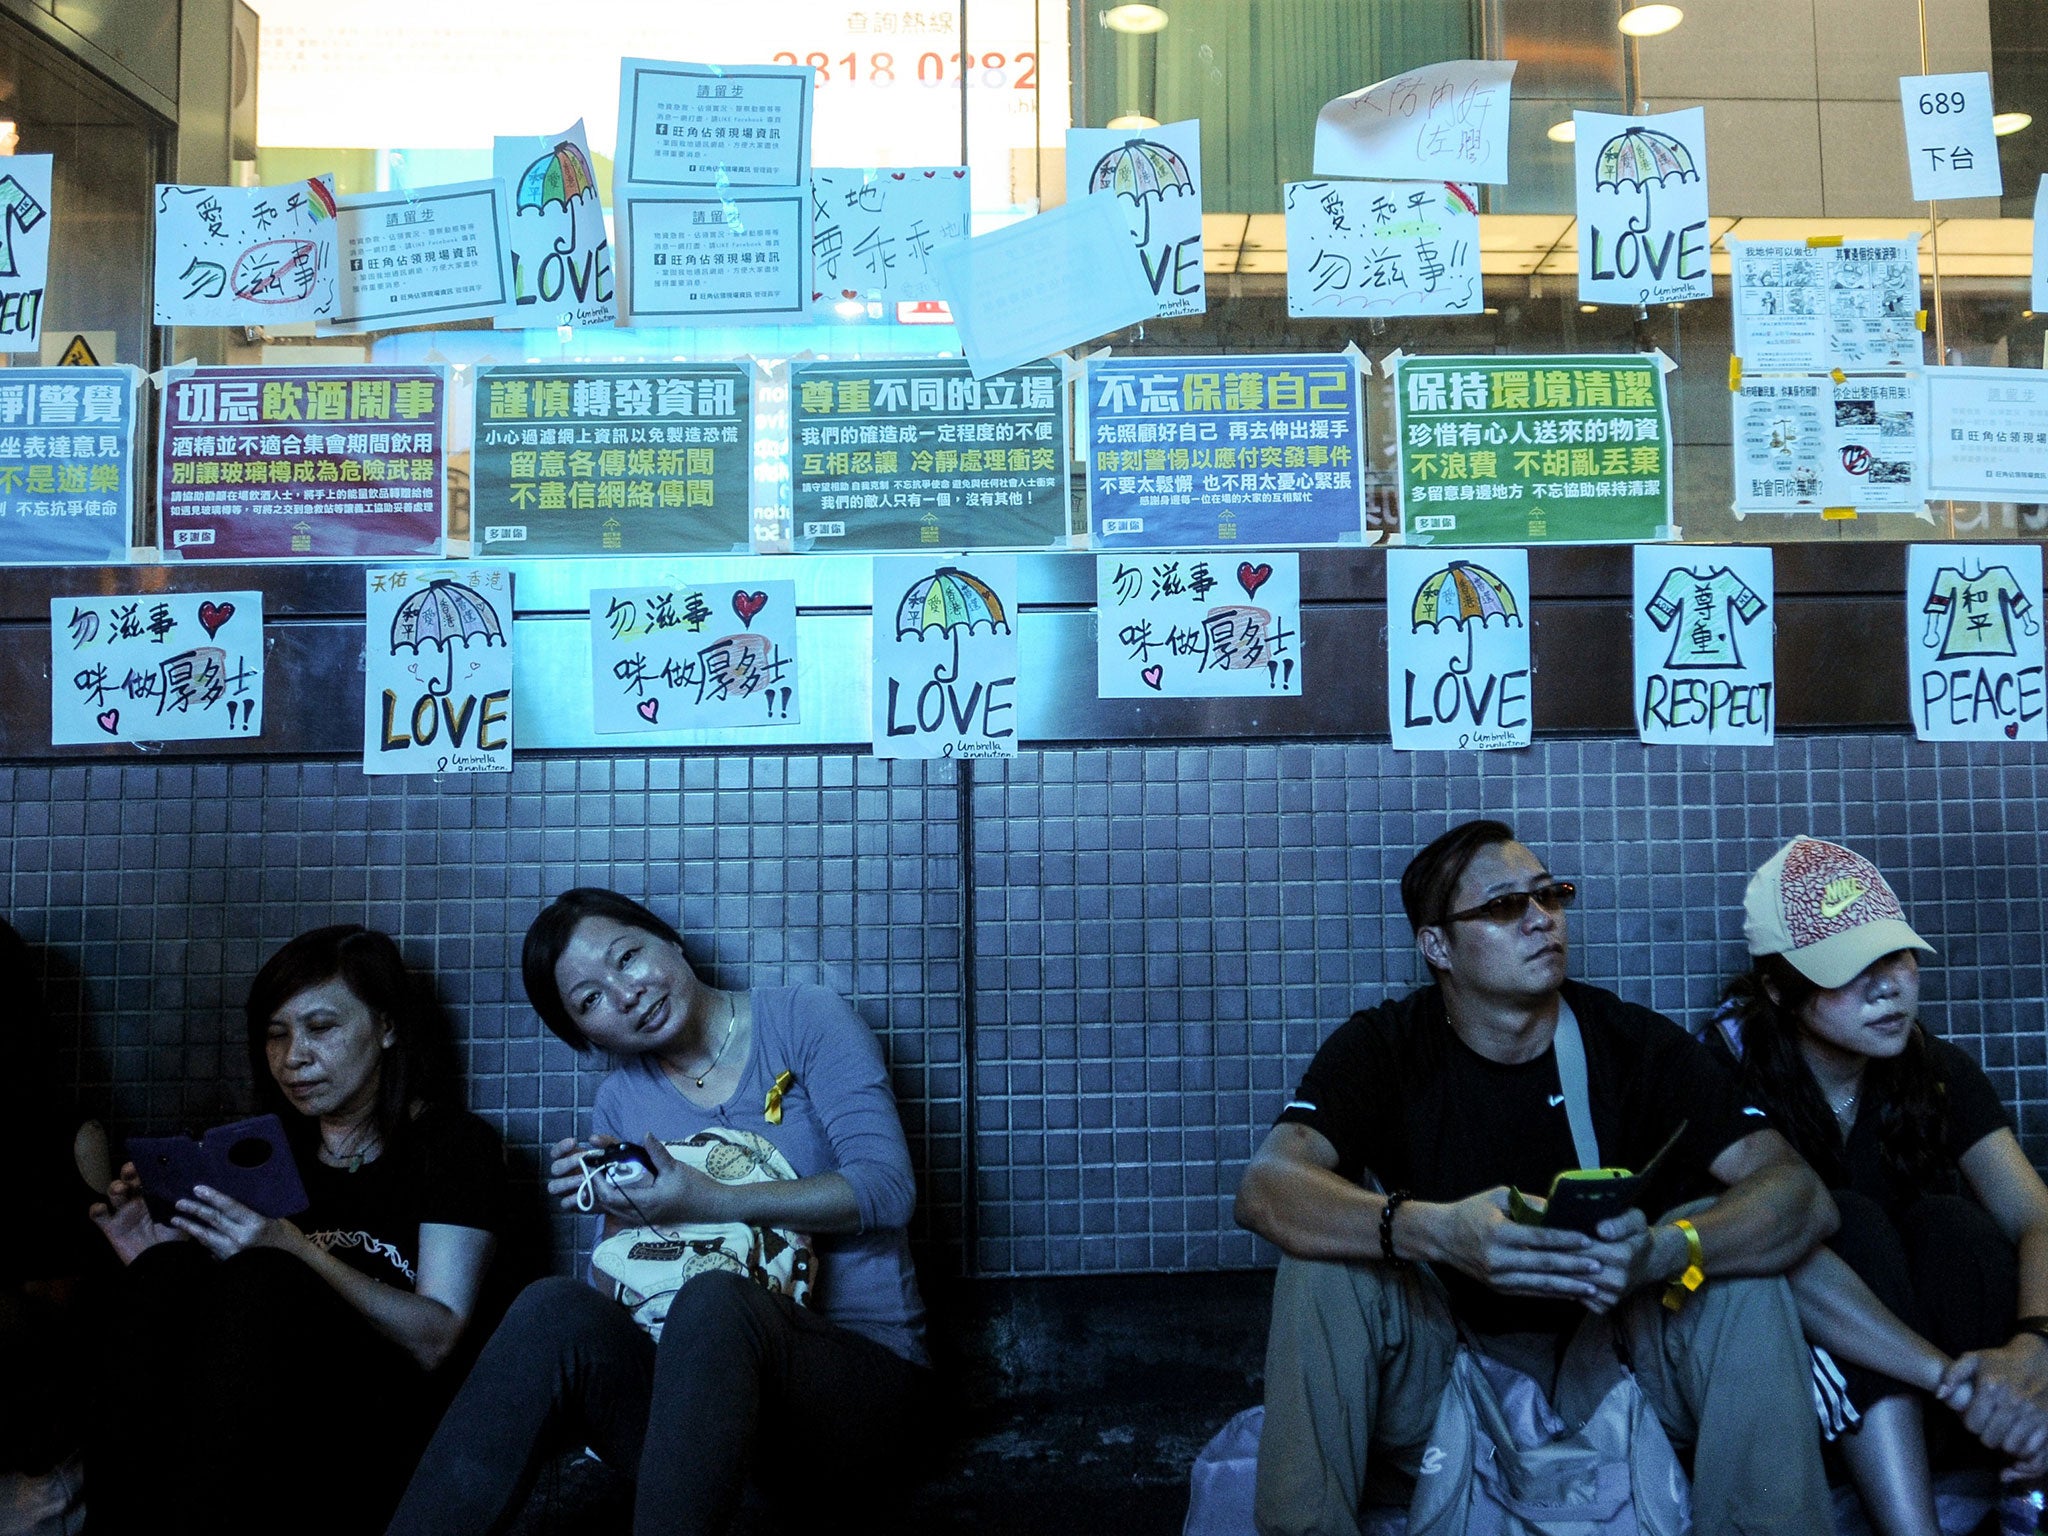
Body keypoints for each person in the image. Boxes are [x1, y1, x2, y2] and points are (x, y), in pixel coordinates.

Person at [1235, 818, 1840, 1536]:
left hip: (1612, 1363)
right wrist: (1432, 1231)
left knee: (1738, 1263)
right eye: (1502, 907)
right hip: (1447, 1376)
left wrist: (1668, 1249)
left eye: (1550, 895)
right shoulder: (1386, 1046)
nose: (1540, 919)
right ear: (1437, 947)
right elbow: (1266, 1187)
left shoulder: (1630, 1042)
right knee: (1323, 1266)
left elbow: (1800, 1195)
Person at [387, 887, 932, 1536]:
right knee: (550, 1305)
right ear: (584, 1035)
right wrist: (620, 1222)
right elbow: (624, 1294)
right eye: (589, 1000)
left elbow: (888, 1190)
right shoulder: (621, 1103)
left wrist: (710, 1200)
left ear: (670, 942)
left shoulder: (803, 1019)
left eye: (627, 957)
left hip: (850, 1389)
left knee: (715, 1300)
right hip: (703, 1423)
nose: (625, 994)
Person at [84, 925, 505, 1536]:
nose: (293, 1057)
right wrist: (144, 1255)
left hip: (377, 1419)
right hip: (243, 1424)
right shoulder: (253, 1153)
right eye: (275, 1034)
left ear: (385, 1028)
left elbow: (436, 1336)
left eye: (321, 1028)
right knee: (162, 1269)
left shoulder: (451, 1146)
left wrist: (294, 1250)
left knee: (263, 1277)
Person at [1712, 836, 2048, 1536]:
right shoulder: (1724, 1083)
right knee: (1843, 1223)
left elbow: (2035, 1217)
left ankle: (2011, 1479)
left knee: (1955, 1228)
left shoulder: (1934, 1070)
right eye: (1851, 968)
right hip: (1810, 1398)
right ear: (1778, 988)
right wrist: (1952, 1379)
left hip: (1957, 1404)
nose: (1890, 986)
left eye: (1895, 955)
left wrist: (2032, 1352)